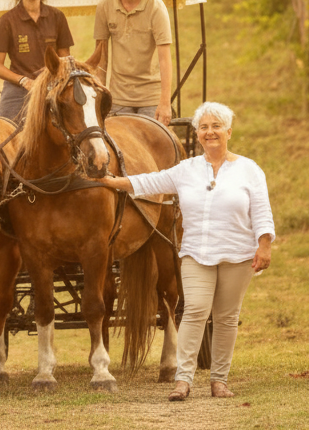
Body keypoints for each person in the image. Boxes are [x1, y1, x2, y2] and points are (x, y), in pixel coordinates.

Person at [96, 101, 273, 400]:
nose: (210, 132)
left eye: (216, 126)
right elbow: (148, 181)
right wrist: (111, 181)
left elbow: (262, 210)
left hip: (237, 254)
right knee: (194, 311)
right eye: (203, 127)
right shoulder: (186, 170)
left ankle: (219, 380)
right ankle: (184, 380)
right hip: (196, 254)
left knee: (227, 317)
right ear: (198, 134)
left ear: (229, 131)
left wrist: (264, 244)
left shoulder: (249, 170)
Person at [92, 0, 173, 125]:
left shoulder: (156, 8)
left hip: (151, 97)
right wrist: (100, 97)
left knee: (153, 150)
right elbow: (101, 59)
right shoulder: (104, 7)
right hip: (118, 98)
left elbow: (165, 59)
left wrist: (165, 103)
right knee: (117, 150)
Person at [0, 0, 74, 122]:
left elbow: (64, 60)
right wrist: (24, 81)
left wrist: (53, 84)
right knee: (8, 134)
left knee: (74, 130)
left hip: (52, 88)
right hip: (18, 90)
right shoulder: (7, 21)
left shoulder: (57, 17)